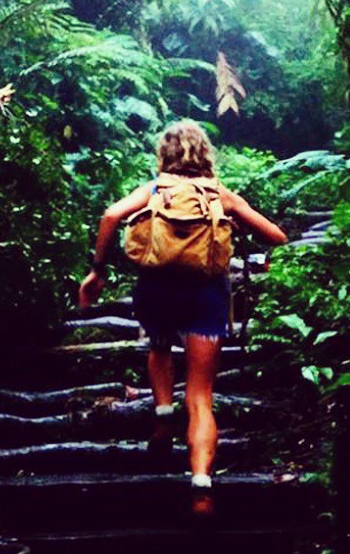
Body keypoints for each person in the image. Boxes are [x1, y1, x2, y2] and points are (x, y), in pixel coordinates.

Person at [78, 120, 287, 516]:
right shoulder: (219, 194)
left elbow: (110, 216)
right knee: (201, 394)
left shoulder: (155, 190)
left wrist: (98, 272)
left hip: (156, 289)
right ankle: (202, 486)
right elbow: (275, 235)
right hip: (206, 294)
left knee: (158, 348)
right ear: (205, 154)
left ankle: (162, 415)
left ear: (165, 154)